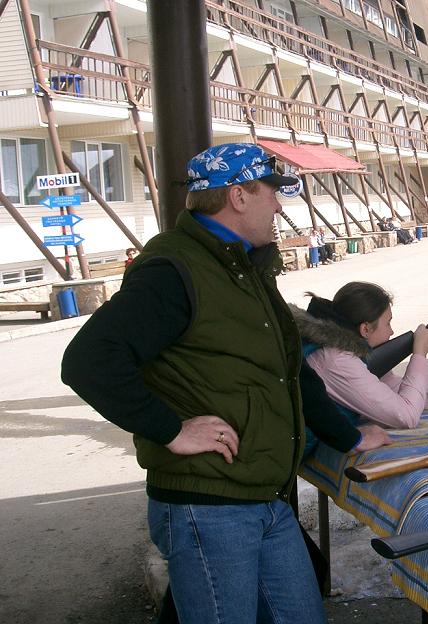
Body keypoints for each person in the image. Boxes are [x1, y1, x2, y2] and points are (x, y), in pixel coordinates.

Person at [61, 143, 387, 624]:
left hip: (263, 498)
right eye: (272, 193)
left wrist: (350, 437)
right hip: (209, 509)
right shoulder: (175, 271)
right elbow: (89, 361)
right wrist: (172, 429)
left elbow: (288, 372)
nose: (279, 205)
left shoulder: (243, 267)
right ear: (238, 195)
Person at [294, 282, 428, 430]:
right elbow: (407, 417)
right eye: (388, 323)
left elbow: (414, 398)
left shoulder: (352, 351)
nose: (391, 331)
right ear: (365, 329)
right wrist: (419, 353)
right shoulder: (337, 360)